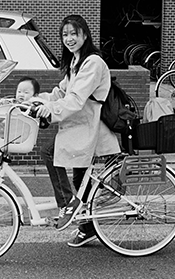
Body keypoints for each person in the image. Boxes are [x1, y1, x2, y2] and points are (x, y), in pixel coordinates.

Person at [34, 15, 120, 247]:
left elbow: (75, 100)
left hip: (88, 125)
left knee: (50, 152)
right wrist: (34, 100)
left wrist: (50, 111)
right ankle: (87, 227)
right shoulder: (77, 61)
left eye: (74, 33)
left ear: (85, 35)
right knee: (81, 176)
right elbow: (61, 92)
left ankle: (66, 205)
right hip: (79, 124)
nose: (69, 39)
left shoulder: (92, 63)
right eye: (65, 35)